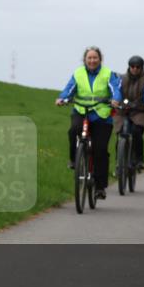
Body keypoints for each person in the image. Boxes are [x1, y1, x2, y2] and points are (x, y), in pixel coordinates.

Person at [56, 47, 121, 199]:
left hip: (101, 114)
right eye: (89, 58)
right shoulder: (78, 73)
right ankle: (74, 159)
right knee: (73, 131)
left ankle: (100, 187)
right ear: (85, 59)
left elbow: (115, 89)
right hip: (81, 110)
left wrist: (115, 99)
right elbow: (69, 88)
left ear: (100, 59)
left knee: (100, 149)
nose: (92, 60)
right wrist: (62, 98)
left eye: (95, 58)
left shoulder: (108, 74)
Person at [115, 55, 144, 172]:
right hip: (123, 109)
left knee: (136, 132)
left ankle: (139, 159)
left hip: (140, 110)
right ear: (129, 67)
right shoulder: (121, 78)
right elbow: (117, 91)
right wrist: (116, 100)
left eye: (138, 67)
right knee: (121, 134)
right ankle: (119, 164)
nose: (135, 69)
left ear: (142, 67)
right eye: (132, 66)